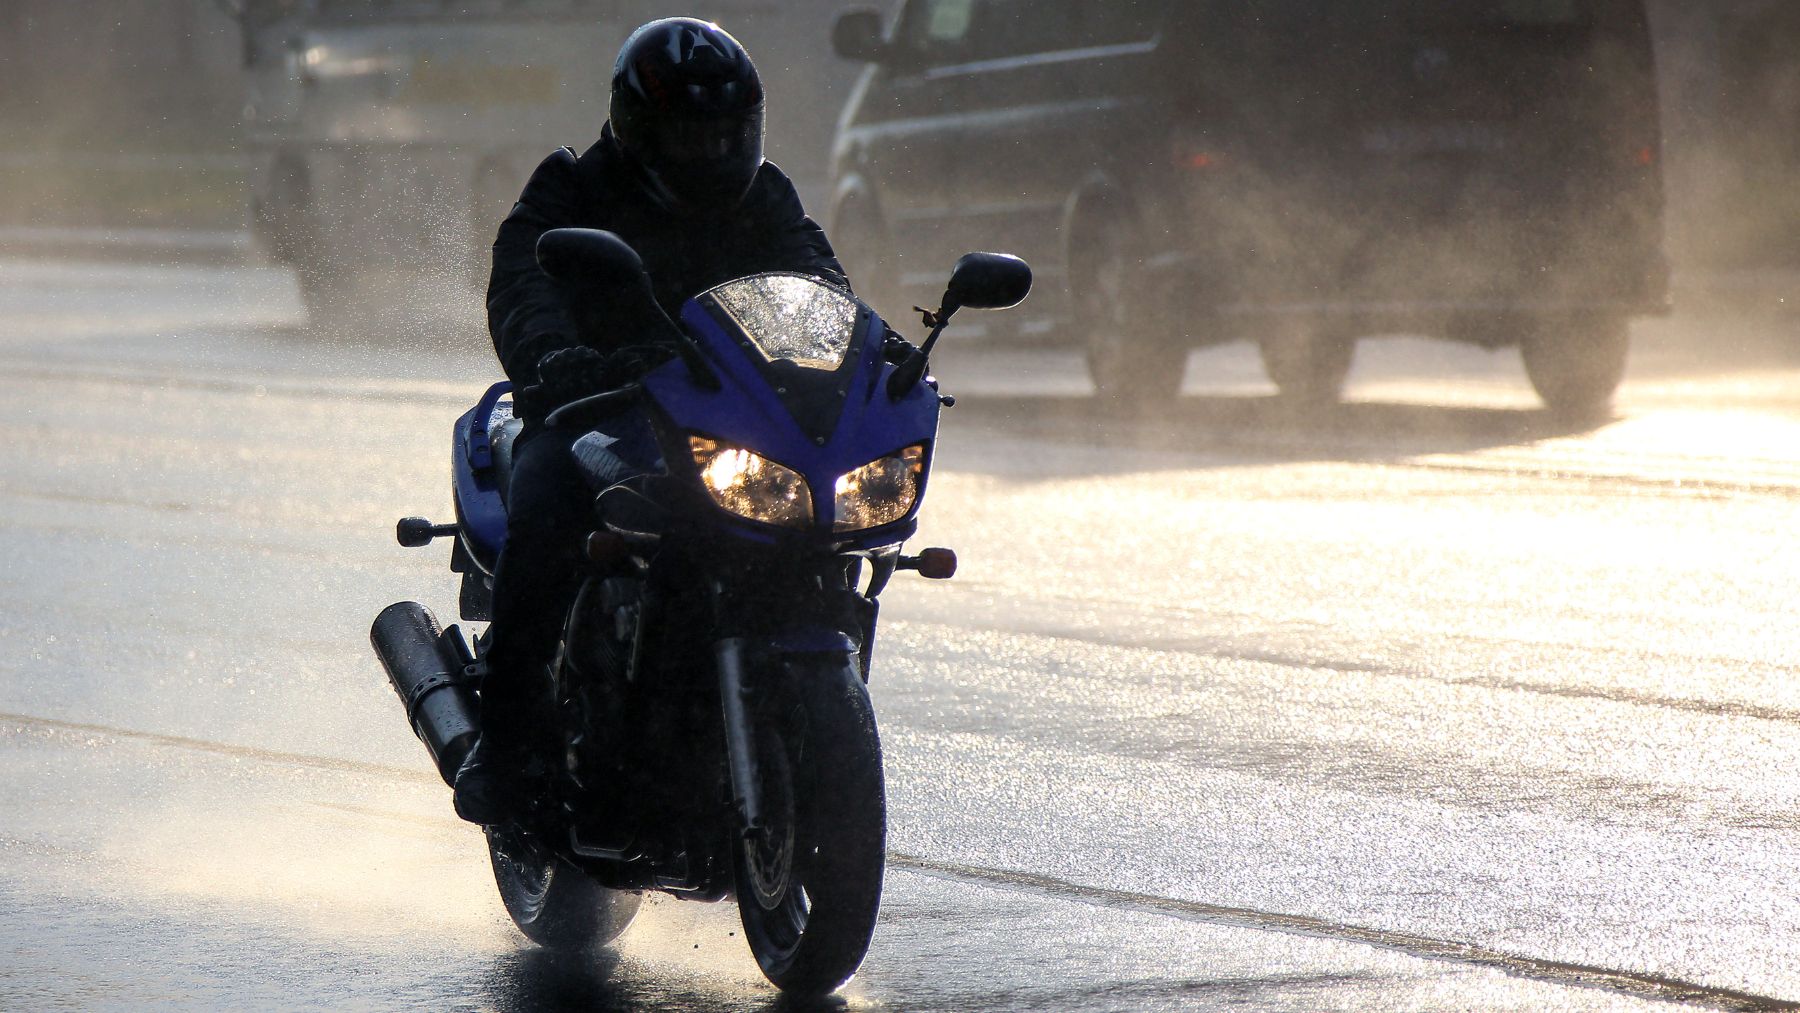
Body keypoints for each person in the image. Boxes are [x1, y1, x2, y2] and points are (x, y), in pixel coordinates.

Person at [456, 17, 851, 825]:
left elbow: (819, 282)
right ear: (640, 128)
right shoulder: (575, 186)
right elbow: (521, 279)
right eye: (689, 132)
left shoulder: (766, 196)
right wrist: (551, 356)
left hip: (719, 414)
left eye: (727, 132)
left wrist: (852, 349)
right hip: (592, 410)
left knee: (818, 518)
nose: (712, 152)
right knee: (549, 505)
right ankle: (506, 745)